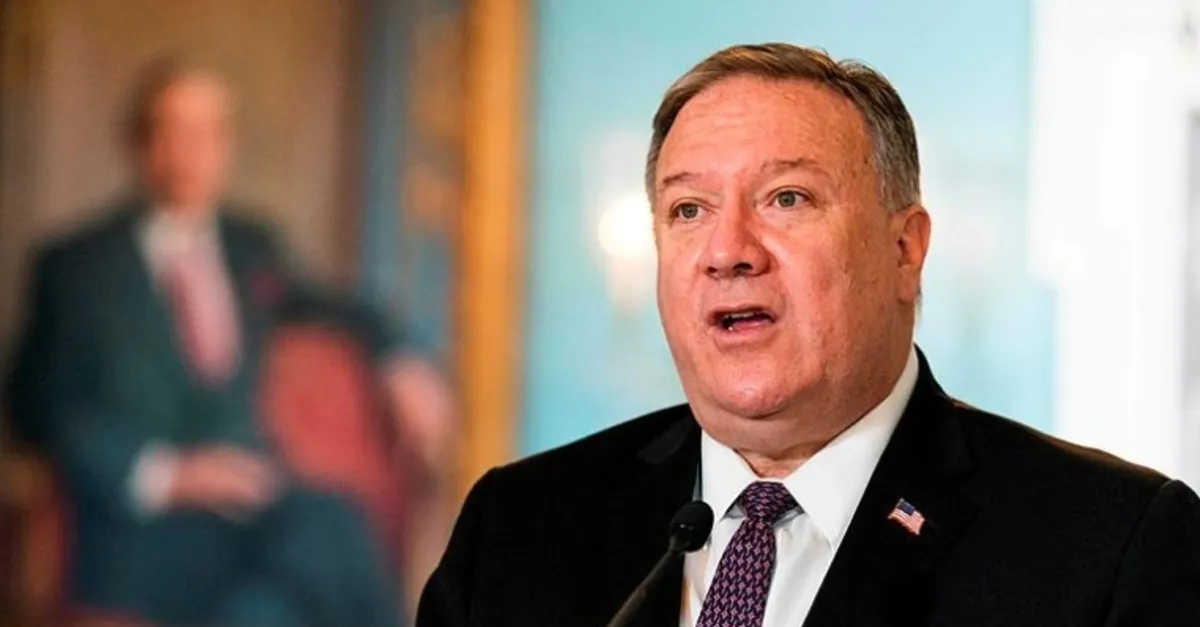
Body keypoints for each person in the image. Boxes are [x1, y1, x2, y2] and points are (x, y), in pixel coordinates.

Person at [417, 43, 1200, 626]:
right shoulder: (519, 526)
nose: (728, 251)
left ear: (904, 249)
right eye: (688, 209)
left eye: (786, 198)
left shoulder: (1110, 544)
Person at [7, 55, 450, 627]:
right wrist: (166, 474)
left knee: (331, 527)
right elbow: (37, 404)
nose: (191, 150)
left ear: (227, 146)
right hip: (145, 523)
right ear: (142, 144)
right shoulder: (75, 267)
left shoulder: (249, 247)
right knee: (276, 598)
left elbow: (338, 309)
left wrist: (399, 357)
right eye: (174, 130)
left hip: (251, 504)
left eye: (209, 131)